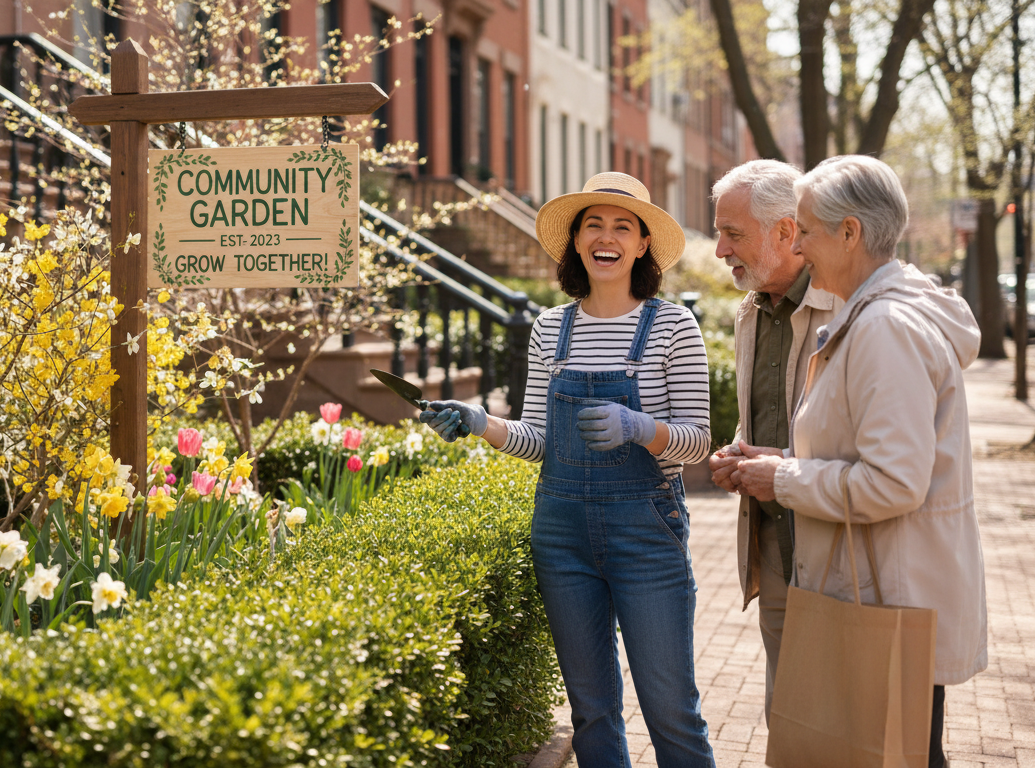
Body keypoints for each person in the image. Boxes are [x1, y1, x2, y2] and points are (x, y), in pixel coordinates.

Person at [420, 172, 716, 767]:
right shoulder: (551, 328)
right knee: (590, 712)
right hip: (562, 533)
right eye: (593, 226)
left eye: (622, 227)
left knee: (671, 711)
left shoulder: (672, 327)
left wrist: (641, 429)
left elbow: (698, 442)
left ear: (641, 246)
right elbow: (539, 439)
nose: (606, 238)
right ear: (577, 242)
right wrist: (482, 424)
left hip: (646, 533)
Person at [732, 155, 988, 768]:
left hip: (888, 596)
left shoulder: (884, 329)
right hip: (885, 590)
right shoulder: (877, 317)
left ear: (849, 233)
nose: (802, 247)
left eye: (809, 230)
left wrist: (783, 477)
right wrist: (786, 458)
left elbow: (894, 482)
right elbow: (872, 452)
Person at [704, 159, 843, 722]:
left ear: (787, 232)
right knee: (787, 721)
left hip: (839, 558)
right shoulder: (750, 312)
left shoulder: (847, 307)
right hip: (775, 551)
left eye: (732, 234)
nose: (719, 251)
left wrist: (781, 467)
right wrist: (738, 452)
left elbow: (867, 446)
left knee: (852, 728)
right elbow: (767, 415)